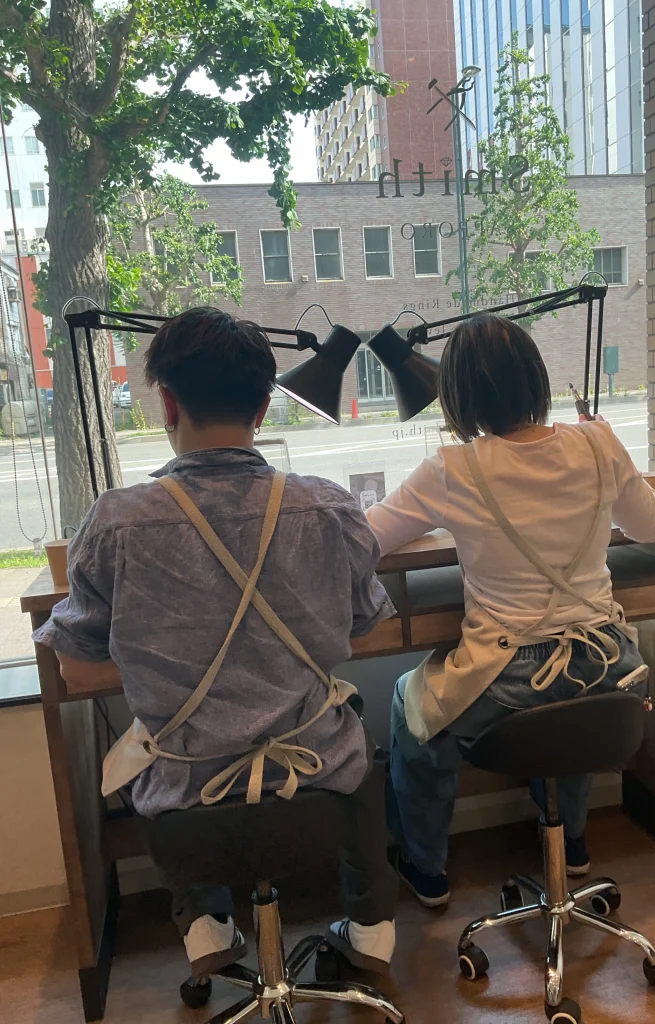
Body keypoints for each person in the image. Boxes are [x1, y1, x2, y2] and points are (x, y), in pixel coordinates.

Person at [33, 307, 398, 976]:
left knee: (152, 739)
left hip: (189, 804)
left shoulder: (116, 521)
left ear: (168, 404)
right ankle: (374, 927)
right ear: (262, 408)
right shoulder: (328, 507)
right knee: (353, 726)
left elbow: (78, 674)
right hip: (314, 783)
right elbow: (363, 626)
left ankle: (203, 922)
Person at [366, 314, 655, 908]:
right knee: (575, 700)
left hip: (509, 683)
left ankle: (425, 868)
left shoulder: (453, 469)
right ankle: (571, 842)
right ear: (536, 378)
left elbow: (368, 538)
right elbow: (651, 527)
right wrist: (609, 448)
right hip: (610, 666)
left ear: (459, 395)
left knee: (408, 701)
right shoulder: (598, 443)